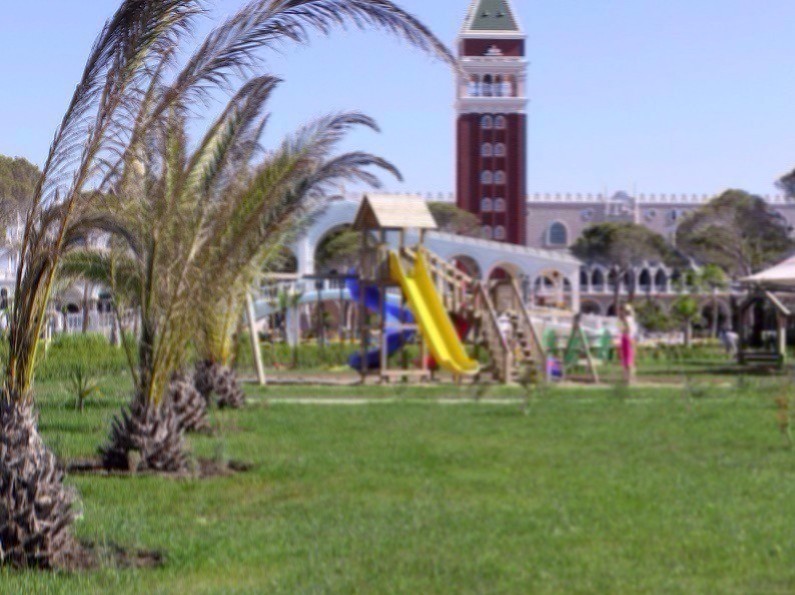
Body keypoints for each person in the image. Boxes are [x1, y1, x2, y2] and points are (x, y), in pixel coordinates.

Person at [618, 304, 637, 384]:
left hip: (627, 339)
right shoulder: (631, 319)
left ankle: (629, 378)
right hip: (629, 339)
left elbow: (627, 329)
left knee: (628, 360)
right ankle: (629, 378)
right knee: (628, 360)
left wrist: (624, 331)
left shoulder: (627, 319)